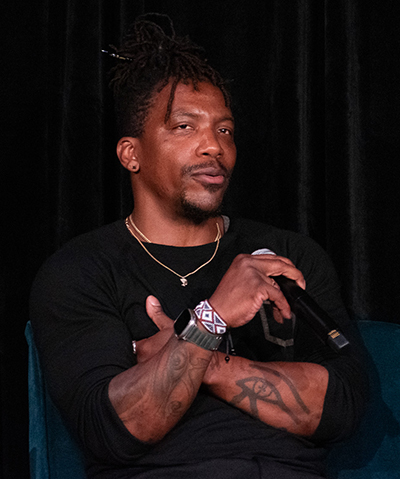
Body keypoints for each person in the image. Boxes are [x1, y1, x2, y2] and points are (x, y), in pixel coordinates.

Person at [30, 14, 367, 479]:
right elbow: (113, 429)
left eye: (224, 130)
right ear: (132, 154)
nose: (214, 147)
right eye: (185, 127)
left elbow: (343, 406)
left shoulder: (288, 255)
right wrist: (214, 316)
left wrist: (198, 354)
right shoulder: (82, 270)